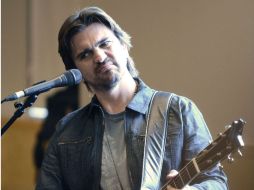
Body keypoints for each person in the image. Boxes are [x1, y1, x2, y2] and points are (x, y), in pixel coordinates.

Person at [35, 6, 228, 190]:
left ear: (124, 46)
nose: (100, 57)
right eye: (85, 54)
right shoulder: (67, 130)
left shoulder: (178, 110)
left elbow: (215, 181)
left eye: (104, 44)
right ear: (75, 70)